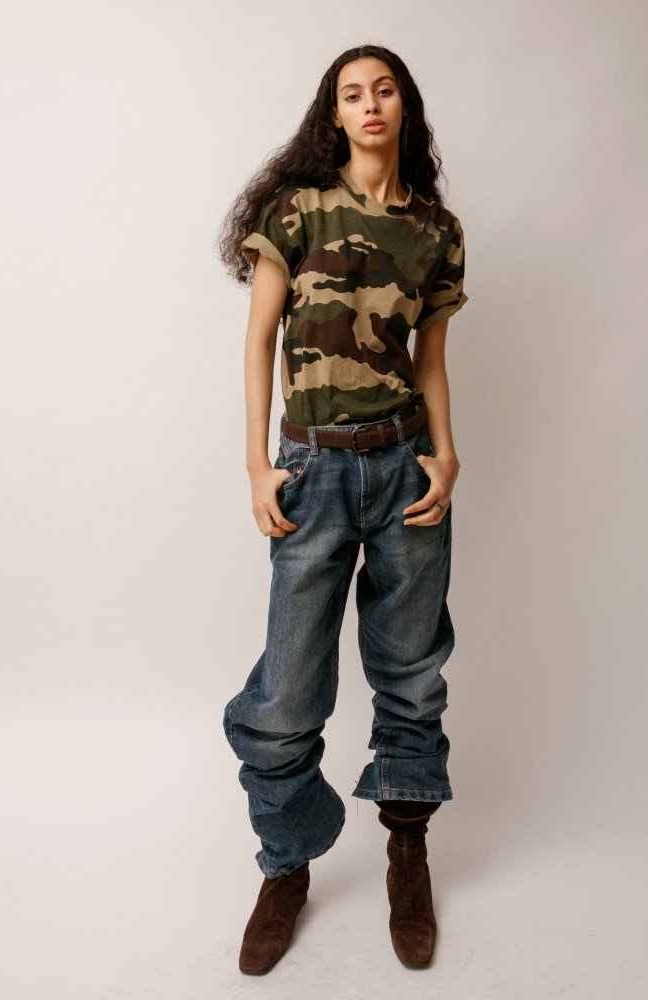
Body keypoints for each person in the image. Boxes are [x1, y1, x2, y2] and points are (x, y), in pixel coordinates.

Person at [216, 43, 468, 974]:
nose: (369, 105)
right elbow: (259, 340)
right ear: (334, 113)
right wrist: (257, 464)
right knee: (286, 695)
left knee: (411, 676)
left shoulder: (436, 231)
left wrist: (447, 453)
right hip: (312, 471)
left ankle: (408, 854)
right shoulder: (297, 212)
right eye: (352, 94)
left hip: (405, 468)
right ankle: (288, 862)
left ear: (405, 107)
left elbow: (431, 358)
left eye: (384, 90)